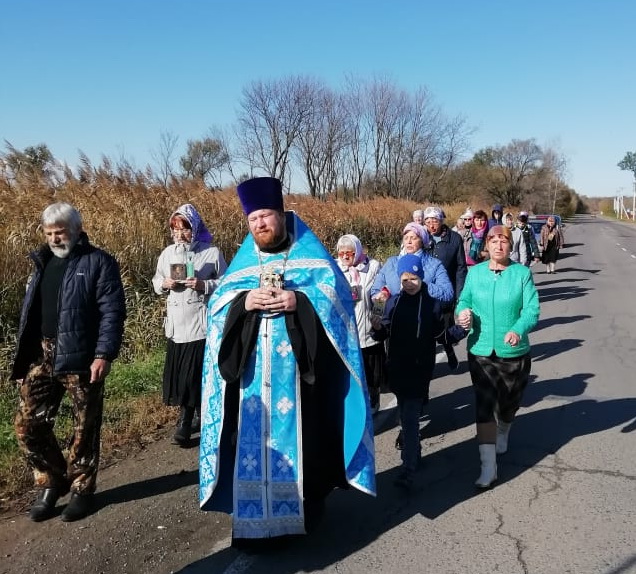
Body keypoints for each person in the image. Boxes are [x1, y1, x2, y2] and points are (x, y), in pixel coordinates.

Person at [199, 177, 375, 544]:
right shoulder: (245, 262)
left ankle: (302, 518)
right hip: (252, 380)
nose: (260, 224)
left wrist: (302, 303)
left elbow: (337, 298)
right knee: (250, 445)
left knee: (305, 443)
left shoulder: (311, 255)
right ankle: (252, 530)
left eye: (265, 216)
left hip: (300, 378)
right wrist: (243, 303)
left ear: (281, 214)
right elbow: (217, 308)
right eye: (253, 220)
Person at [11, 202, 126, 522]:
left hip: (82, 355)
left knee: (83, 427)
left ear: (76, 231)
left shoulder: (98, 262)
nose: (53, 239)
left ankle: (82, 488)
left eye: (59, 233)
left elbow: (112, 312)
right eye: (48, 233)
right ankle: (52, 480)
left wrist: (103, 354)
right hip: (43, 355)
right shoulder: (42, 262)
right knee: (27, 425)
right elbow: (31, 314)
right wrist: (25, 363)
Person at [455, 225, 540, 488]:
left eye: (504, 241)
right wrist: (463, 313)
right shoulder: (476, 273)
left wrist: (518, 329)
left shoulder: (521, 274)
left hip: (514, 353)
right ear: (487, 246)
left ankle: (505, 426)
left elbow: (532, 310)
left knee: (508, 403)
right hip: (480, 350)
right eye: (493, 240)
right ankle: (488, 467)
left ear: (509, 246)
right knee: (483, 405)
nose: (498, 245)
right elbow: (463, 301)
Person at [152, 204, 227, 446]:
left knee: (194, 374)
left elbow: (226, 282)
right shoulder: (167, 254)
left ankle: (186, 421)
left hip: (199, 322)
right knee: (181, 374)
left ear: (194, 229)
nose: (180, 235)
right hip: (176, 324)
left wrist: (204, 285)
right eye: (175, 230)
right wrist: (164, 284)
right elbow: (156, 281)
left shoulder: (211, 253)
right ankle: (195, 416)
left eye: (184, 229)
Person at [371, 254, 444, 489]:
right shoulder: (392, 302)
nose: (409, 283)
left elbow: (441, 335)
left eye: (414, 277)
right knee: (404, 415)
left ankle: (407, 468)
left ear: (421, 277)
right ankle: (416, 453)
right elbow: (382, 334)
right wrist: (376, 327)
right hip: (397, 366)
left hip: (420, 368)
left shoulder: (432, 304)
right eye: (405, 278)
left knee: (410, 419)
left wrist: (461, 330)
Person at [335, 234, 384, 413]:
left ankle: (374, 399)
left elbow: (382, 291)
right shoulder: (335, 268)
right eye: (342, 253)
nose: (345, 257)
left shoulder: (372, 267)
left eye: (350, 253)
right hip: (346, 330)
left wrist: (379, 311)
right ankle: (355, 404)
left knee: (372, 371)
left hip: (369, 328)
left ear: (357, 251)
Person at [422, 206, 467, 371]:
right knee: (427, 330)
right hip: (426, 292)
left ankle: (449, 350)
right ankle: (428, 363)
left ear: (441, 221)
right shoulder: (422, 238)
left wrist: (459, 293)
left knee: (444, 329)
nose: (431, 225)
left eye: (435, 220)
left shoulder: (454, 239)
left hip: (445, 292)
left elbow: (461, 268)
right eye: (428, 221)